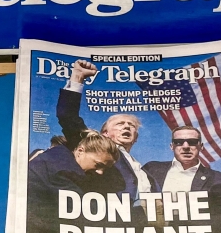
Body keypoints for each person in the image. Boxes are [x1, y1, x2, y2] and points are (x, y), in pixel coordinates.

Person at [141, 125, 221, 233]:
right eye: (179, 142)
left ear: (201, 146)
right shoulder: (152, 169)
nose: (185, 146)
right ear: (172, 146)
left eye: (192, 142)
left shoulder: (220, 180)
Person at [26, 132, 123, 233]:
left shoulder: (57, 156)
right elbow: (83, 212)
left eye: (105, 169)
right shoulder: (64, 170)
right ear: (80, 151)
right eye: (98, 165)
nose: (100, 173)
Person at [57, 59, 153, 200]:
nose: (126, 126)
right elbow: (67, 115)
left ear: (136, 137)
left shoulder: (143, 168)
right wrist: (77, 77)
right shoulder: (94, 147)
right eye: (120, 124)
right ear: (105, 133)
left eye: (131, 125)